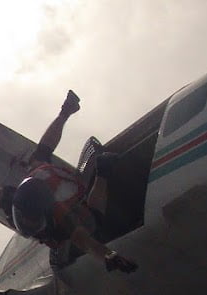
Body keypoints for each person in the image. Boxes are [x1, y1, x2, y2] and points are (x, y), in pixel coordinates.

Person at [8, 91, 138, 273]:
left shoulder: (60, 214)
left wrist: (110, 256)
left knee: (93, 222)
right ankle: (67, 111)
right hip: (53, 180)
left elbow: (84, 241)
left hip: (70, 191)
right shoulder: (34, 177)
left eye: (32, 220)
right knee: (41, 154)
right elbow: (45, 146)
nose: (29, 225)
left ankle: (103, 171)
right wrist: (64, 113)